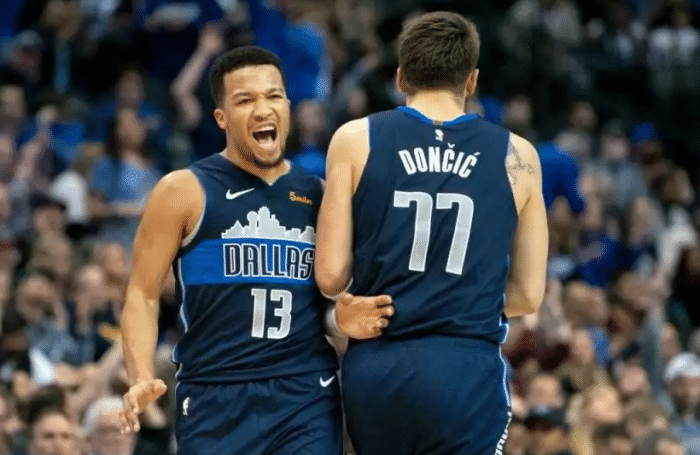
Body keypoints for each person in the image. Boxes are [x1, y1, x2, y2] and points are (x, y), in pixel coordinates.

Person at [118, 46, 392, 455]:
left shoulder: (320, 196)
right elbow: (142, 294)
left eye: (274, 96)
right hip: (215, 394)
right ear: (221, 118)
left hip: (305, 393)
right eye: (246, 100)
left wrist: (342, 318)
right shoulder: (183, 191)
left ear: (288, 106)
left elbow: (332, 302)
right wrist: (141, 374)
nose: (263, 109)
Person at [315, 11, 549, 455]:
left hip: (380, 362)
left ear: (401, 77)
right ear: (472, 81)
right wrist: (457, 298)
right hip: (465, 367)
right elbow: (528, 295)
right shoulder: (519, 156)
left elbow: (330, 277)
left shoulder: (355, 138)